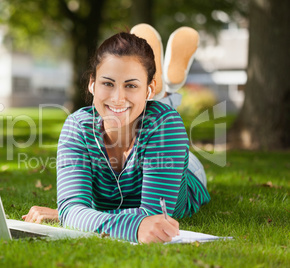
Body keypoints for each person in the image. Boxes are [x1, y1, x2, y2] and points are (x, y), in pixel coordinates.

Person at [22, 24, 210, 243]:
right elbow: (72, 211)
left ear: (147, 88)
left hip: (188, 169)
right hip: (145, 119)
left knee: (157, 111)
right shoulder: (77, 126)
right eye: (107, 83)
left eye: (130, 85)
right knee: (134, 108)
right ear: (92, 84)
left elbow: (154, 216)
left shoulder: (166, 124)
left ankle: (165, 89)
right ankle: (153, 78)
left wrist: (72, 216)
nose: (117, 97)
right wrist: (71, 214)